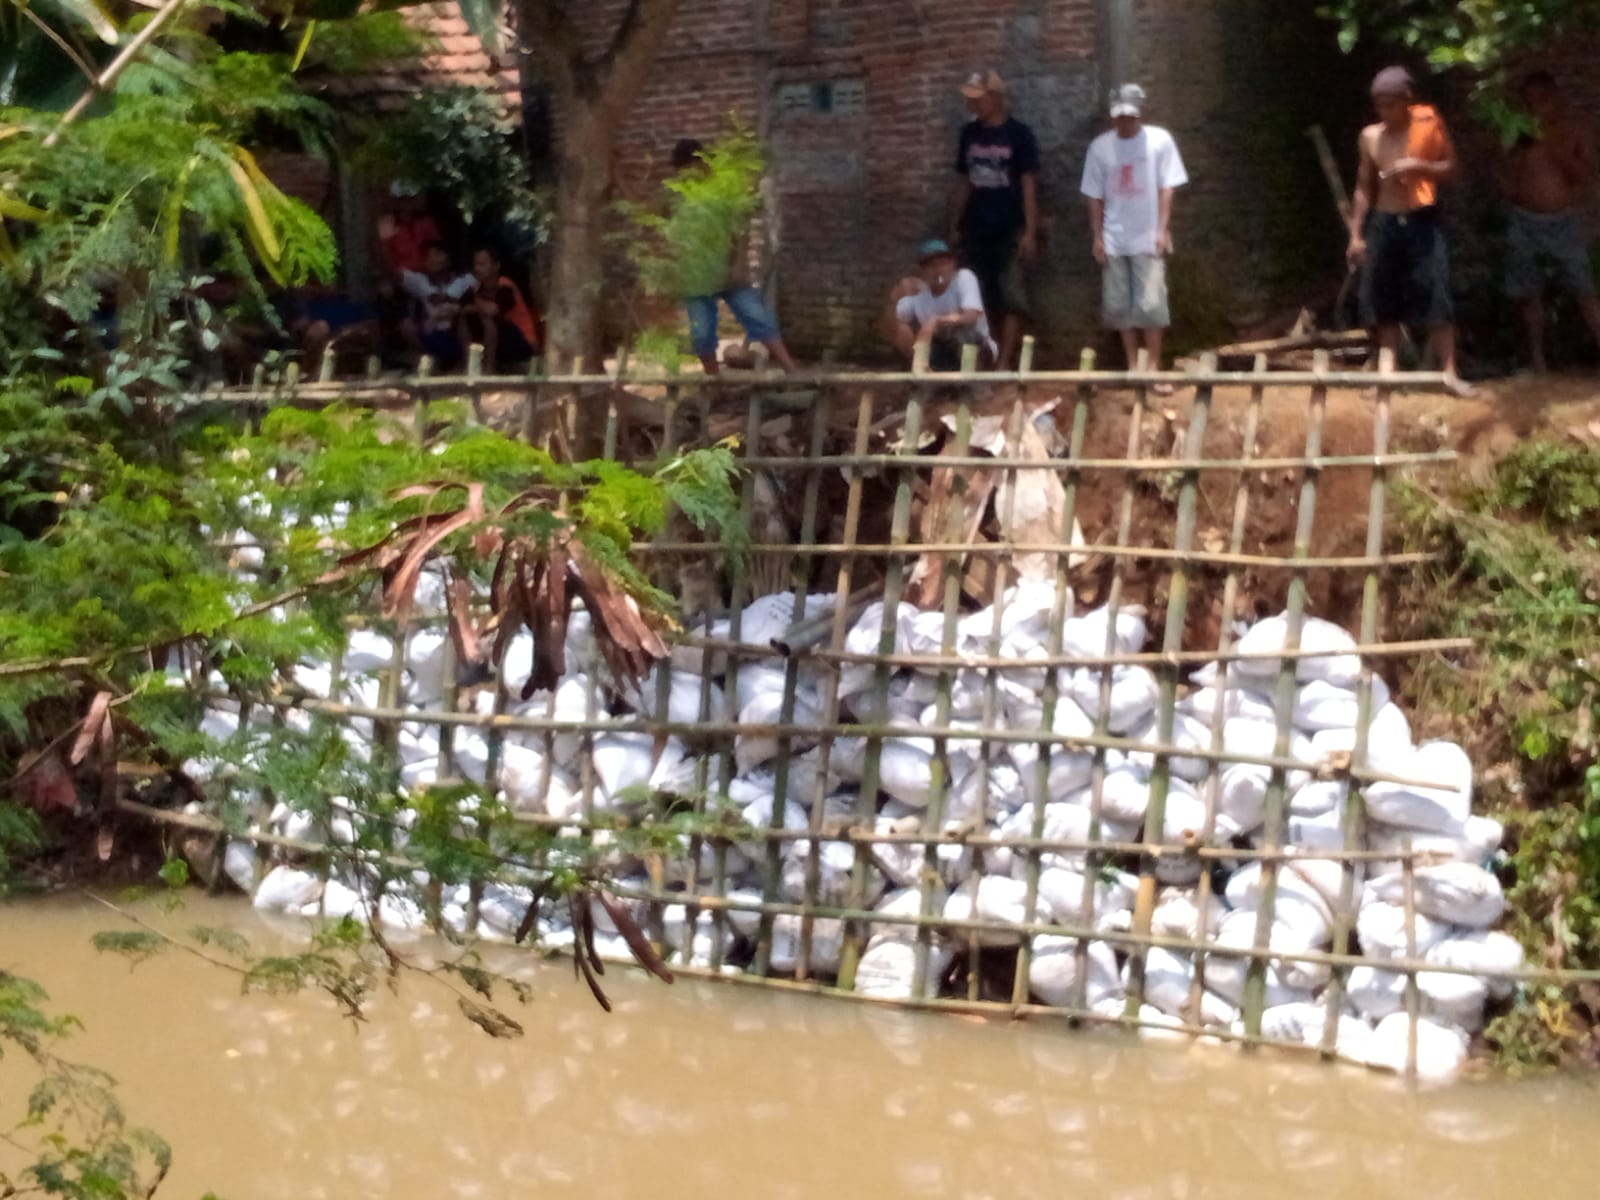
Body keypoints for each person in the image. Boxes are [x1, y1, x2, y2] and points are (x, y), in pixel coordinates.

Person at [1347, 66, 1473, 396]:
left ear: (1407, 101)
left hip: (1421, 219)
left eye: (1391, 104)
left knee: (1435, 292)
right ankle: (1387, 376)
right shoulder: (1370, 137)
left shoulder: (1428, 127)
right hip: (1385, 221)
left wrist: (1419, 167)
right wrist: (1356, 234)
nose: (1385, 112)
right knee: (1382, 297)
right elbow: (1363, 187)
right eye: (1380, 106)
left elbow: (1452, 169)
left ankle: (1449, 373)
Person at [1080, 83, 1188, 394]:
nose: (1125, 121)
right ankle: (1132, 365)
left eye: (1130, 116)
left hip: (1147, 236)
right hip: (1115, 238)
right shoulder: (1100, 148)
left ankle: (1154, 366)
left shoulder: (1158, 141)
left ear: (1139, 113)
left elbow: (1168, 185)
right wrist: (1097, 236)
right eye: (1120, 116)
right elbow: (1093, 195)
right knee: (1119, 306)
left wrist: (1162, 228)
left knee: (1152, 304)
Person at [668, 139, 798, 376]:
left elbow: (740, 228)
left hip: (728, 272)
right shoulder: (678, 196)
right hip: (696, 276)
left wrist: (740, 265)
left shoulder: (723, 189)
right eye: (682, 170)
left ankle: (791, 369)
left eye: (691, 166)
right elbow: (655, 218)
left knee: (758, 318)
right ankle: (713, 380)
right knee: (702, 333)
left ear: (702, 162)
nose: (687, 174)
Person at [1501, 71, 1600, 372]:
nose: (1537, 107)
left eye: (1542, 100)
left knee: (1584, 289)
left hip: (1564, 222)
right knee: (1530, 293)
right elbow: (1503, 171)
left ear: (1555, 98)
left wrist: (1550, 144)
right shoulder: (1518, 135)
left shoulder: (1575, 131)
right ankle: (1537, 360)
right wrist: (1514, 189)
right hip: (1525, 220)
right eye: (1530, 102)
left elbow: (1587, 174)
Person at [950, 69, 1038, 369]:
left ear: (996, 98)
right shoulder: (968, 133)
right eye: (970, 100)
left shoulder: (1019, 134)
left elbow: (1029, 183)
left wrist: (1029, 229)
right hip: (976, 227)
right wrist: (955, 222)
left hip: (1010, 226)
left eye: (979, 99)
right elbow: (964, 181)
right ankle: (985, 356)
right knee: (981, 295)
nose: (973, 105)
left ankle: (1004, 362)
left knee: (1012, 295)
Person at [883, 239, 997, 370]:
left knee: (963, 334)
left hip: (976, 349)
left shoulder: (964, 278)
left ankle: (973, 385)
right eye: (931, 266)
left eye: (943, 264)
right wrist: (897, 296)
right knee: (909, 334)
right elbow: (891, 322)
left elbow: (971, 315)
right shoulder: (920, 295)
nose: (938, 270)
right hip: (942, 352)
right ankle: (925, 380)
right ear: (922, 271)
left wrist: (936, 322)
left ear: (953, 264)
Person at [458, 249, 540, 372]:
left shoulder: (505, 286)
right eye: (476, 265)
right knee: (463, 319)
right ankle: (469, 365)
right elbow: (460, 309)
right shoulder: (475, 288)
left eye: (482, 265)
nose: (477, 269)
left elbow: (492, 310)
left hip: (521, 340)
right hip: (498, 340)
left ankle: (489, 367)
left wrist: (475, 304)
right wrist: (476, 306)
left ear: (496, 266)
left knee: (488, 318)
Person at [399, 241, 473, 369]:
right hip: (431, 335)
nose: (432, 259)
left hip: (457, 336)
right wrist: (382, 242)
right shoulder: (420, 281)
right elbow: (392, 273)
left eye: (437, 254)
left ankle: (467, 364)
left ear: (449, 258)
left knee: (463, 320)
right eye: (428, 256)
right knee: (405, 325)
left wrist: (459, 310)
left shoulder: (466, 280)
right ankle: (431, 359)